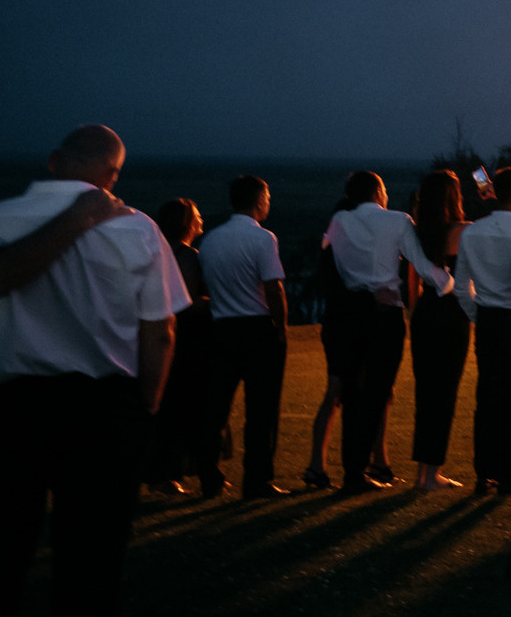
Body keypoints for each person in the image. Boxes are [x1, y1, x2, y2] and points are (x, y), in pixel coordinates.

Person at [0, 125, 186, 617]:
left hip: (13, 402)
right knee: (92, 552)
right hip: (104, 406)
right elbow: (160, 331)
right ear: (112, 175)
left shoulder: (1, 218)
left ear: (54, 161)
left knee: (3, 545)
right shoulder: (137, 229)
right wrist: (148, 402)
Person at [323, 171, 454, 494]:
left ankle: (353, 471)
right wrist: (449, 280)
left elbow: (332, 262)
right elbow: (423, 266)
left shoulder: (339, 221)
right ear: (379, 192)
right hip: (385, 316)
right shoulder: (398, 220)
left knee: (352, 392)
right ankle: (362, 470)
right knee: (377, 392)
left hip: (352, 314)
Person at [197, 174, 291, 500]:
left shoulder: (209, 240)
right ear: (258, 201)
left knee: (216, 408)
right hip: (256, 329)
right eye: (266, 197)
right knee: (261, 411)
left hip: (220, 327)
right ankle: (257, 480)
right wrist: (280, 328)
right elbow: (273, 287)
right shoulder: (263, 238)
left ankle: (210, 477)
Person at [456, 166, 511, 494]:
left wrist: (478, 316)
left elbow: (463, 287)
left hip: (489, 319)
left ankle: (484, 471)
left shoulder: (473, 232)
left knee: (488, 395)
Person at [304, 183, 384, 490]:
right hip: (353, 324)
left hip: (334, 325)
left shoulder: (329, 249)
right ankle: (344, 466)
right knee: (350, 394)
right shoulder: (350, 251)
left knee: (334, 392)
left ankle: (317, 465)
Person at [406, 169, 473, 492]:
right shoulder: (462, 231)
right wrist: (487, 189)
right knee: (444, 394)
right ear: (453, 197)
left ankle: (423, 472)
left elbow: (412, 282)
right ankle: (432, 474)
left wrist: (414, 315)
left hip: (425, 314)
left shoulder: (418, 232)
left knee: (425, 392)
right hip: (452, 315)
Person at [146, 199, 215, 496]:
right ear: (187, 222)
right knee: (185, 407)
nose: (201, 220)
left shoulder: (154, 252)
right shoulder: (188, 256)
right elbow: (185, 303)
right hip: (186, 340)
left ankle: (163, 472)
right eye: (197, 216)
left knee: (164, 406)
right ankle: (170, 474)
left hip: (155, 334)